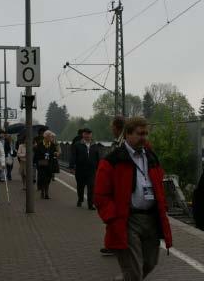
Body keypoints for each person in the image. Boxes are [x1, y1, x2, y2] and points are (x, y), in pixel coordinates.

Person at [94, 116, 172, 281]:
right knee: (134, 271)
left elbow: (159, 185)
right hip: (128, 221)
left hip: (151, 219)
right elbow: (100, 195)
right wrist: (112, 218)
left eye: (145, 133)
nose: (143, 137)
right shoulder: (113, 160)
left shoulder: (151, 157)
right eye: (139, 133)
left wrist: (163, 207)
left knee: (150, 263)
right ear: (128, 134)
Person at [100, 116, 125, 256]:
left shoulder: (124, 141)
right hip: (117, 182)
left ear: (116, 127)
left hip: (120, 184)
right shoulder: (120, 140)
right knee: (112, 216)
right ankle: (112, 245)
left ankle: (116, 245)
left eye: (112, 127)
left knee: (116, 216)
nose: (111, 130)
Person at [70, 128, 101, 210]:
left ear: (91, 135)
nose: (87, 136)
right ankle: (80, 199)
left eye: (89, 134)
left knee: (91, 187)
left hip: (91, 170)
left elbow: (98, 158)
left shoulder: (95, 145)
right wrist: (72, 166)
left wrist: (99, 168)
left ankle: (90, 204)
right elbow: (73, 156)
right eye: (86, 134)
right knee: (80, 186)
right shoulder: (77, 145)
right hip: (80, 170)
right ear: (83, 135)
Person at [34, 130, 57, 199]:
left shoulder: (52, 145)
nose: (51, 138)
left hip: (50, 163)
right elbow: (37, 155)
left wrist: (55, 154)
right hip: (42, 163)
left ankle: (46, 192)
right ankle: (43, 192)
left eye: (51, 137)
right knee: (43, 178)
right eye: (50, 137)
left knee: (48, 178)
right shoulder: (40, 144)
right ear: (46, 137)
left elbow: (53, 153)